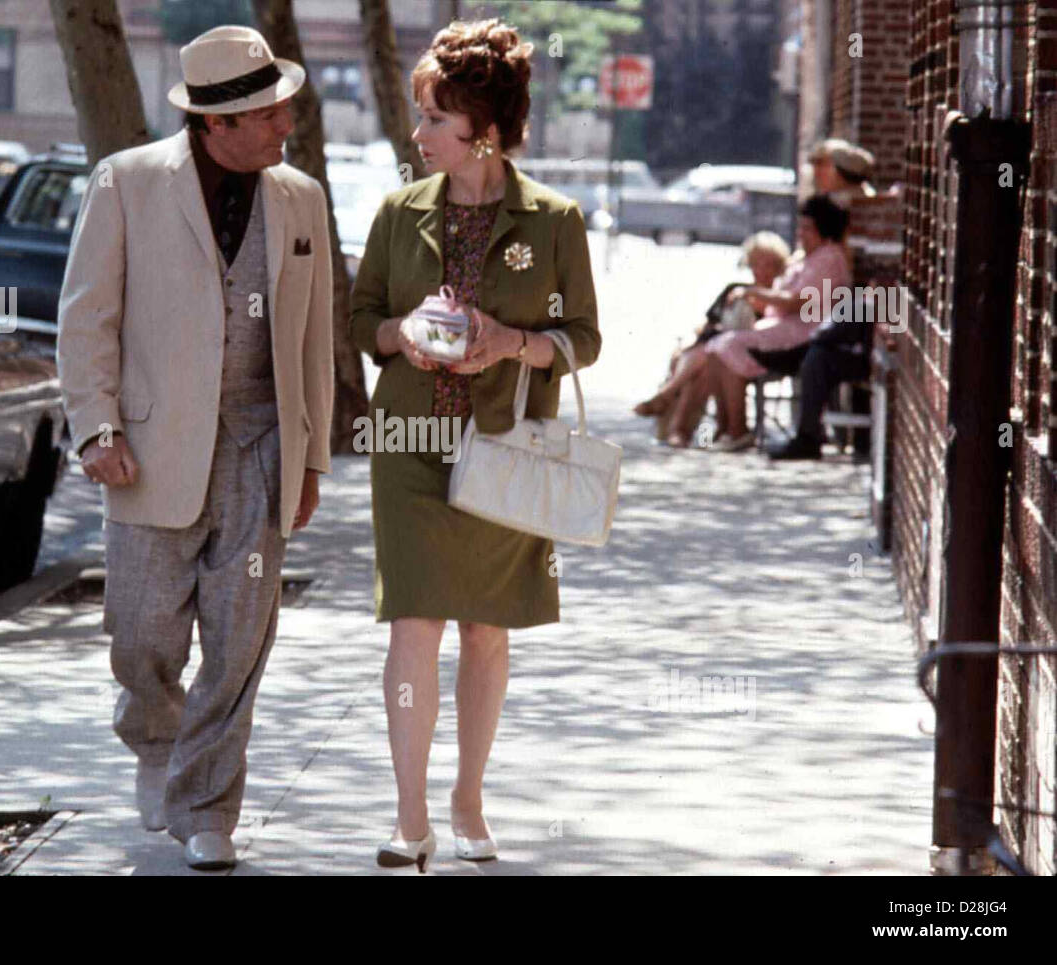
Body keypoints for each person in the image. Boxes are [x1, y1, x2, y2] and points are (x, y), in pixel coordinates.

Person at [55, 24, 334, 872]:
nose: (286, 125)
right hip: (146, 446)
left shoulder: (302, 199)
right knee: (141, 636)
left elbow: (315, 337)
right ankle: (153, 735)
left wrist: (314, 456)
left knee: (240, 639)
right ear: (217, 123)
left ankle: (208, 804)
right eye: (267, 115)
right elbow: (86, 316)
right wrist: (96, 427)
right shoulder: (128, 182)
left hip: (261, 444)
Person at [348, 18, 601, 871]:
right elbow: (359, 322)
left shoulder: (556, 220)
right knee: (411, 623)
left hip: (504, 448)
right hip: (410, 442)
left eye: (433, 120)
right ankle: (410, 815)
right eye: (421, 117)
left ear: (483, 131)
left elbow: (585, 339)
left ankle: (469, 795)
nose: (416, 135)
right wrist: (400, 333)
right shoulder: (396, 212)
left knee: (485, 630)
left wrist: (512, 343)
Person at [635, 194, 851, 452]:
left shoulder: (828, 259)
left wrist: (753, 293)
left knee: (726, 345)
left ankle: (724, 425)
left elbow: (797, 301)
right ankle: (729, 428)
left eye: (807, 228)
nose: (801, 233)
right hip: (782, 329)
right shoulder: (808, 257)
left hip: (803, 336)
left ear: (824, 229)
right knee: (717, 349)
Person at [638, 231, 790, 446]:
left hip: (745, 357)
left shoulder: (778, 298)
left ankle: (674, 411)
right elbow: (708, 323)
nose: (761, 270)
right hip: (714, 348)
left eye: (768, 264)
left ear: (778, 267)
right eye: (756, 263)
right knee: (704, 360)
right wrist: (689, 341)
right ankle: (683, 427)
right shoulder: (735, 290)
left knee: (708, 360)